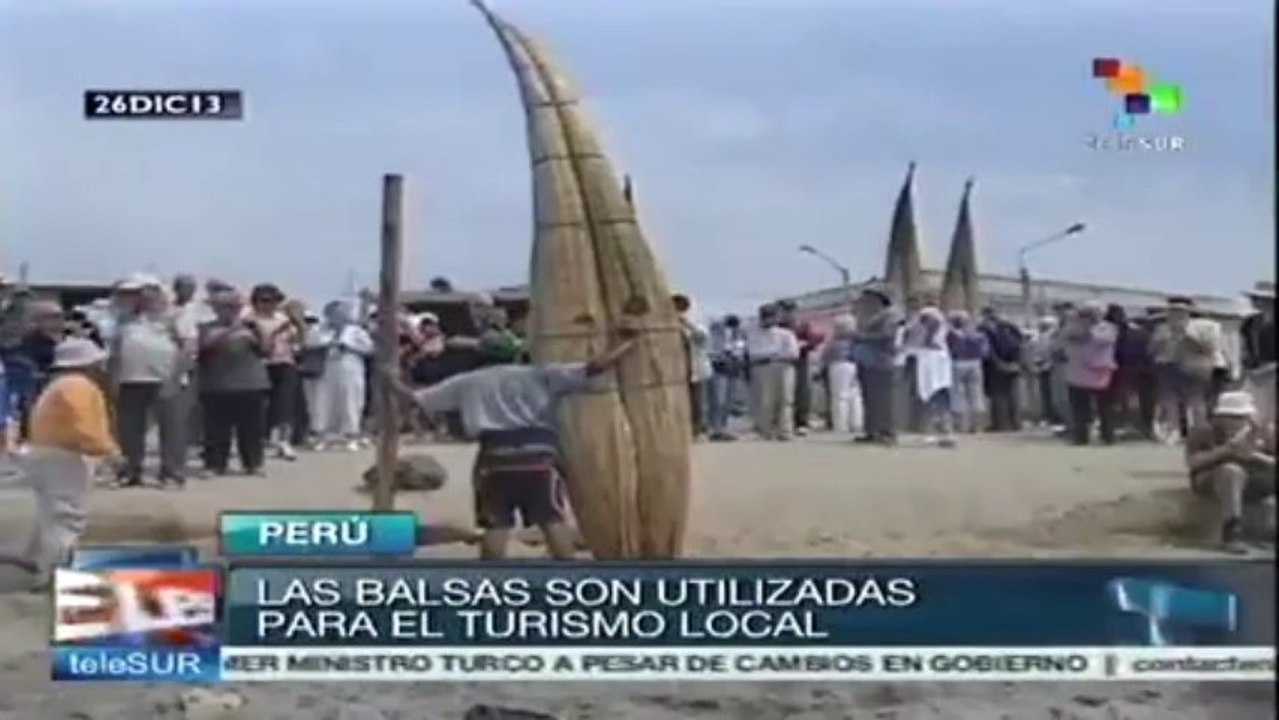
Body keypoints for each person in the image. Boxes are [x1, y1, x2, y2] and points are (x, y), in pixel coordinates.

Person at [384, 323, 641, 560]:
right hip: (539, 454)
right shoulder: (539, 374)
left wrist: (390, 378)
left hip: (494, 455)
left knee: (496, 524)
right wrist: (627, 344)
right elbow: (593, 368)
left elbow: (415, 399)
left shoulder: (467, 382)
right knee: (552, 520)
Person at [23, 338, 120, 586]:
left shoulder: (59, 385)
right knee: (67, 518)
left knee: (51, 515)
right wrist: (108, 450)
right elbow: (83, 425)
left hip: (46, 453)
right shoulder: (78, 386)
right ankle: (57, 571)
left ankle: (43, 564)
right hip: (64, 455)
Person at [110, 274, 188, 486]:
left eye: (143, 292)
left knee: (171, 428)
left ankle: (172, 473)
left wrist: (175, 375)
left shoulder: (174, 317)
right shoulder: (122, 320)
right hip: (131, 379)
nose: (140, 297)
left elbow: (187, 348)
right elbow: (116, 350)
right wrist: (114, 378)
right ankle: (130, 471)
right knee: (129, 429)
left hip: (165, 379)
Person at [1184, 391, 1275, 553]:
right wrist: (1227, 450)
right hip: (1214, 479)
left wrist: (1255, 456)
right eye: (1232, 417)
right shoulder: (1203, 430)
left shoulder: (1263, 431)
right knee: (1231, 472)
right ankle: (1231, 533)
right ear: (1220, 417)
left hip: (1254, 477)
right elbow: (1193, 462)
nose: (1237, 422)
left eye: (1242, 417)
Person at [198, 289, 271, 475]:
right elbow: (204, 348)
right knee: (216, 429)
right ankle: (215, 464)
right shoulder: (207, 328)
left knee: (251, 428)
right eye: (223, 308)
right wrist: (231, 330)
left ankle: (253, 463)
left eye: (233, 307)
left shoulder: (250, 328)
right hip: (217, 385)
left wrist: (258, 331)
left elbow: (265, 350)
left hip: (250, 384)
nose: (229, 311)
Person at [304, 300, 374, 450]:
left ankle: (351, 435)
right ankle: (321, 436)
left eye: (341, 312)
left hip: (350, 367)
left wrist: (349, 346)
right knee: (323, 401)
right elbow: (309, 343)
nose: (338, 315)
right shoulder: (319, 329)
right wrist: (327, 343)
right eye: (334, 312)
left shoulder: (356, 331)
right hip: (326, 368)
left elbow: (369, 348)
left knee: (351, 400)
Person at [249, 284, 304, 460]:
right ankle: (262, 439)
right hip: (261, 364)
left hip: (285, 363)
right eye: (264, 301)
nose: (269, 305)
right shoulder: (250, 320)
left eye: (274, 300)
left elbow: (298, 340)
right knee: (261, 405)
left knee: (285, 404)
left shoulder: (283, 319)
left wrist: (298, 326)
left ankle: (283, 441)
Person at [1060, 300, 1118, 446]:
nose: (1087, 316)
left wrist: (1090, 327)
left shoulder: (1108, 328)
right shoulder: (1072, 327)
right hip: (1076, 372)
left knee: (1104, 407)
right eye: (1085, 313)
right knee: (1079, 407)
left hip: (1099, 373)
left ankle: (1107, 435)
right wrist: (1077, 323)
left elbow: (1100, 340)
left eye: (1091, 313)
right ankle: (1081, 436)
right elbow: (1066, 338)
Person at [850, 285, 901, 445]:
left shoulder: (891, 314)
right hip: (867, 361)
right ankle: (872, 431)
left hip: (882, 360)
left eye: (870, 297)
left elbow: (887, 335)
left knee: (883, 400)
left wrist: (862, 337)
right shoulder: (870, 315)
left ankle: (887, 432)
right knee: (869, 399)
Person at [745, 303, 800, 441]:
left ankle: (785, 431)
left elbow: (793, 353)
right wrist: (774, 353)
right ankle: (766, 431)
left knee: (786, 400)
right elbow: (753, 353)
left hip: (784, 367)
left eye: (771, 316)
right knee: (765, 401)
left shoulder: (786, 334)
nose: (768, 320)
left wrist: (775, 355)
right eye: (765, 317)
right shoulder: (753, 333)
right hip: (763, 367)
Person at [914, 307, 955, 447]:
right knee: (936, 400)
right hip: (934, 367)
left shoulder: (938, 333)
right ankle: (941, 432)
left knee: (936, 400)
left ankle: (942, 432)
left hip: (935, 367)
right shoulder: (936, 334)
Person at [979, 306, 1024, 432]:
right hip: (1014, 363)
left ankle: (1001, 424)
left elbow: (987, 348)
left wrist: (996, 362)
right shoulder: (1010, 326)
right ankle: (1016, 423)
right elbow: (1021, 343)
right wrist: (1018, 362)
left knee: (998, 395)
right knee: (1013, 394)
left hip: (996, 366)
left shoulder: (984, 328)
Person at [673, 294, 712, 438]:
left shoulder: (697, 325)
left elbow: (702, 339)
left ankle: (697, 429)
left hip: (696, 369)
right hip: (678, 371)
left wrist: (687, 324)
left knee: (698, 403)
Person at [946, 309, 988, 434]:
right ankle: (977, 426)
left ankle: (960, 426)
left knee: (957, 394)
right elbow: (986, 351)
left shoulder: (951, 334)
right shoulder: (977, 334)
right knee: (976, 394)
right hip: (975, 363)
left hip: (958, 363)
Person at [1239, 285, 1275, 431]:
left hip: (1272, 371)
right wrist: (1246, 368)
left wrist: (1269, 369)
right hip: (1255, 371)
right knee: (1254, 410)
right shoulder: (1250, 322)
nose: (1258, 301)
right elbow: (1244, 347)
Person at [821, 314, 862, 437]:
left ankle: (841, 424)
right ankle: (856, 423)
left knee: (839, 396)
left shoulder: (835, 341)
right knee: (855, 395)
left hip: (838, 365)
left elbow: (825, 355)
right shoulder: (856, 340)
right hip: (854, 364)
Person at [705, 317, 741, 441]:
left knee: (727, 401)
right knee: (718, 401)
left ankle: (723, 428)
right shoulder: (714, 335)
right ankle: (715, 428)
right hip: (718, 369)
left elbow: (739, 352)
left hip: (732, 370)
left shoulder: (737, 337)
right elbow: (711, 353)